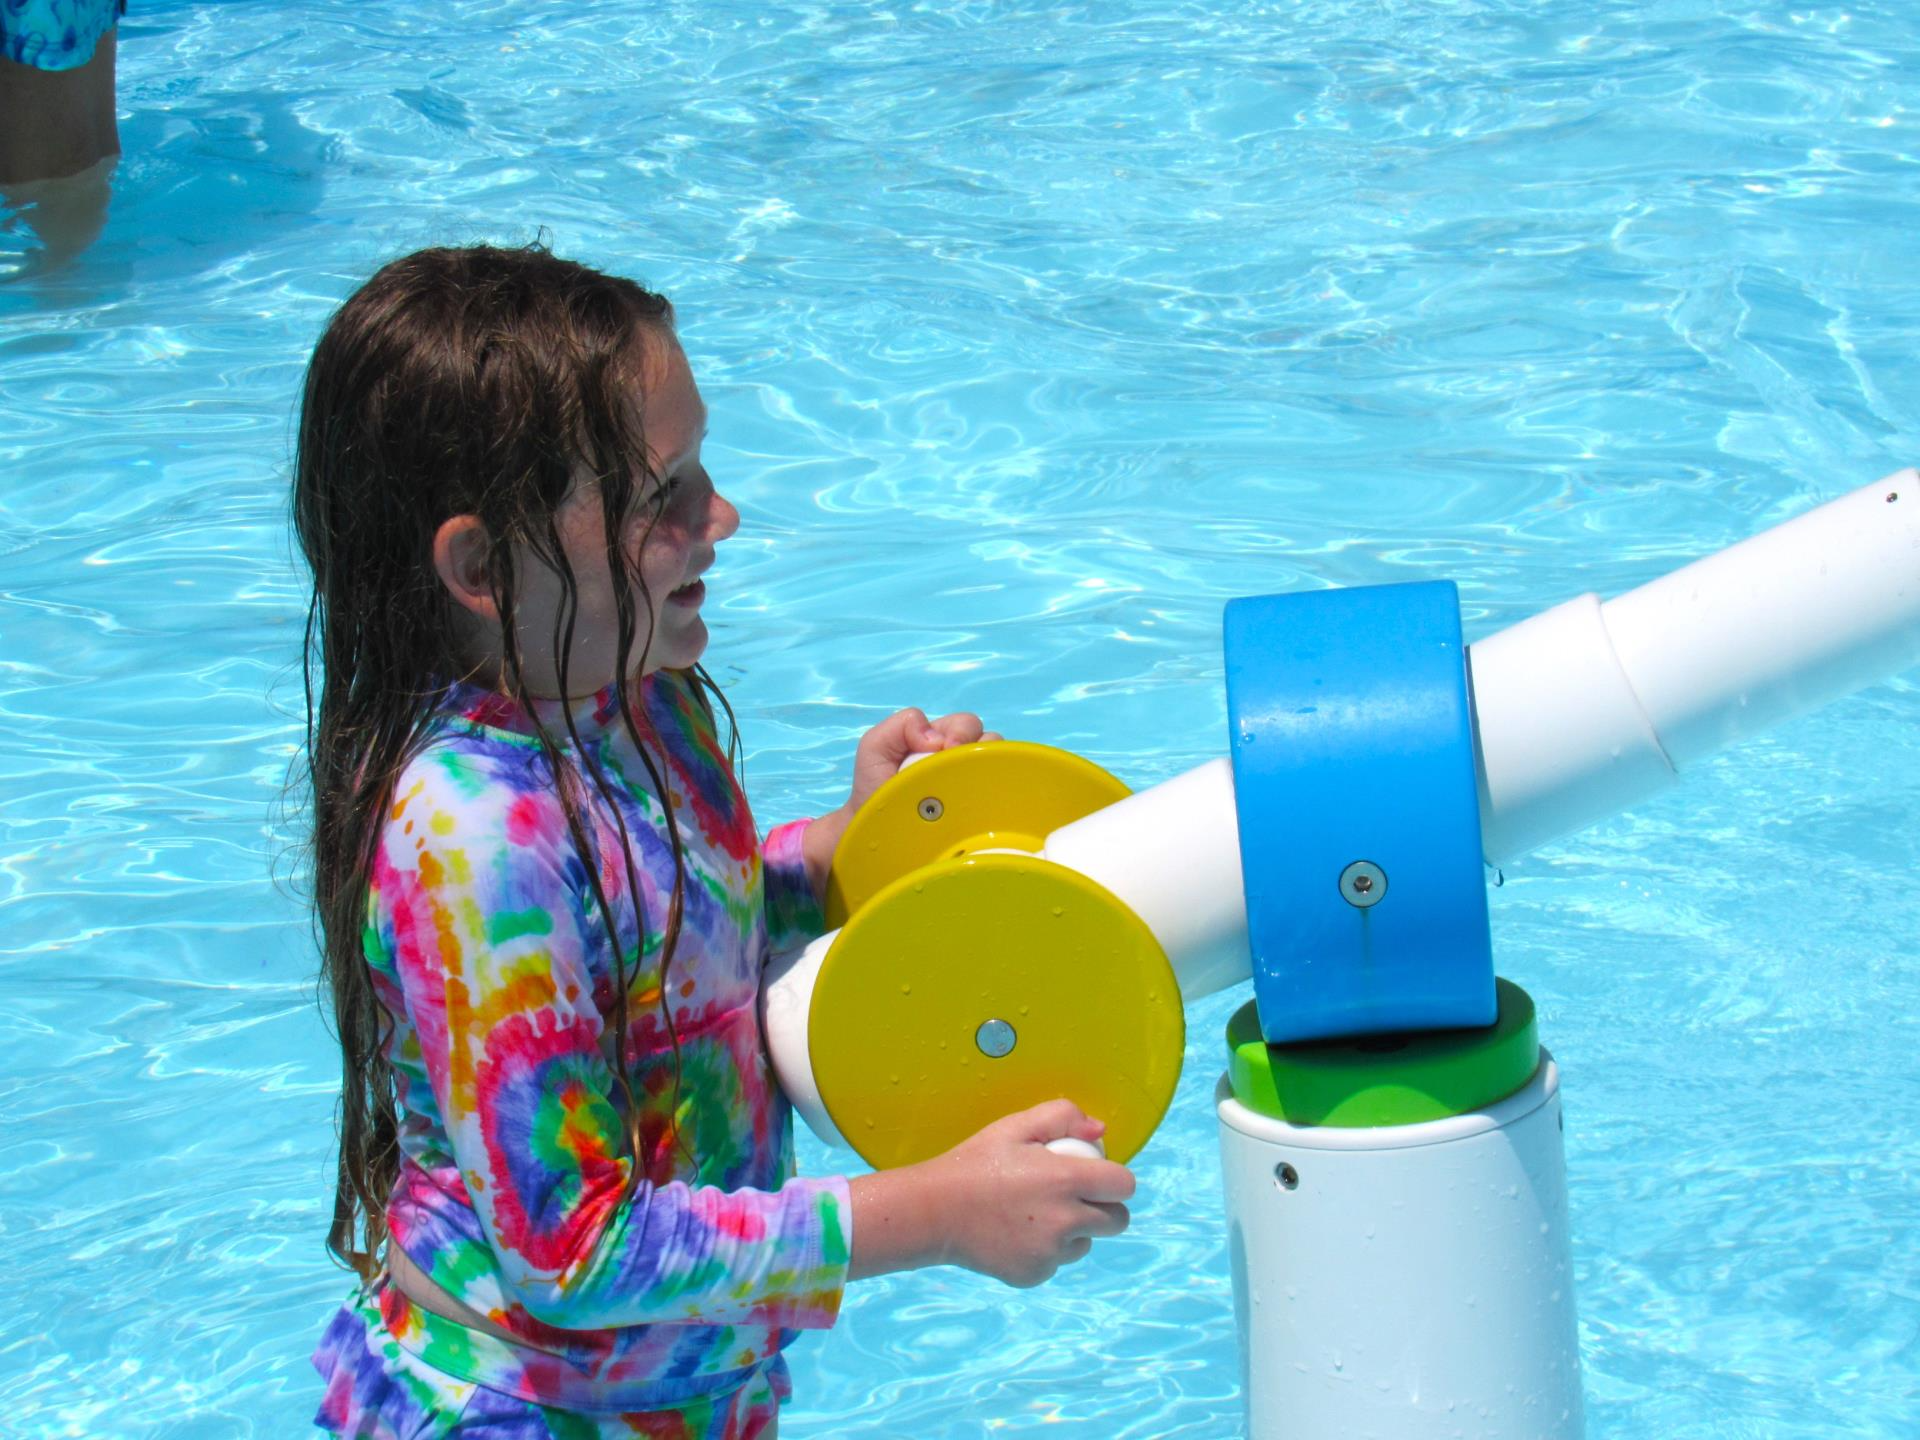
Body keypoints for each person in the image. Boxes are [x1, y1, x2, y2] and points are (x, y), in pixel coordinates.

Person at [295, 244, 1135, 1438]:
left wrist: (850, 852)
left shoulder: (640, 698)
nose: (720, 517)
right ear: (482, 566)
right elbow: (574, 1252)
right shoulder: (471, 839)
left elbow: (688, 926)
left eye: (703, 467)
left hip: (680, 1397)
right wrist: (933, 1213)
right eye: (660, 491)